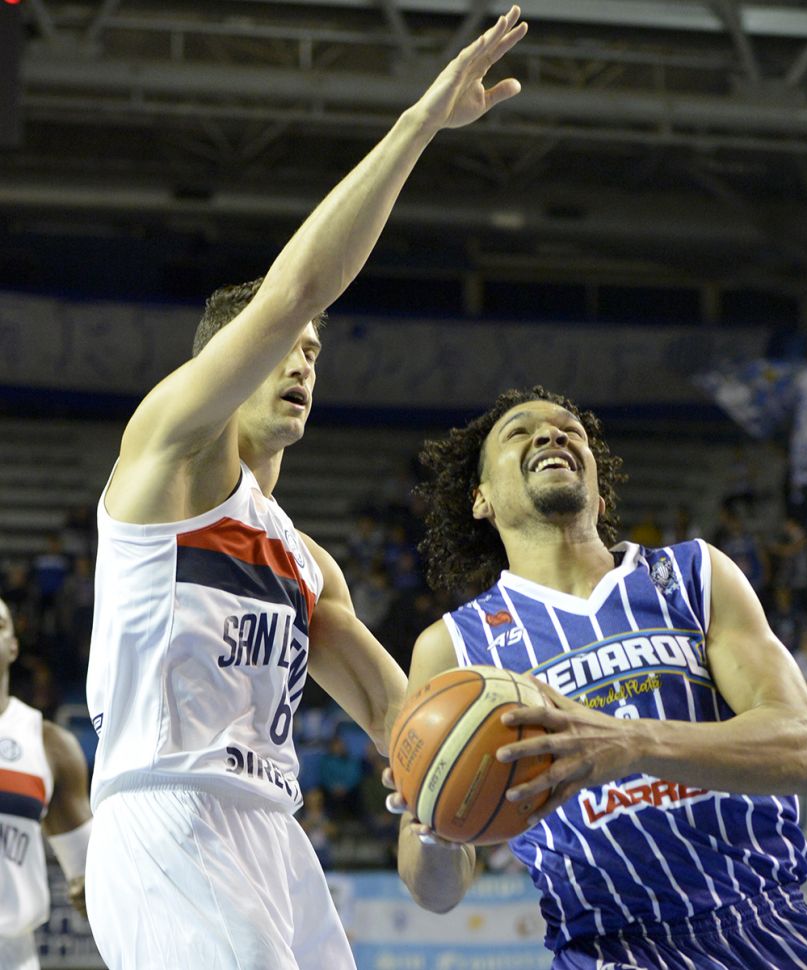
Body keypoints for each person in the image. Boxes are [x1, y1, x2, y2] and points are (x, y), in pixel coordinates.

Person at [83, 10, 528, 969]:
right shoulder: (168, 457)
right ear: (227, 365)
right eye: (286, 346)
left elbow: (402, 723)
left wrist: (470, 777)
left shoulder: (307, 563)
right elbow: (297, 290)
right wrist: (421, 122)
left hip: (274, 836)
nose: (303, 358)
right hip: (167, 812)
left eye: (315, 352)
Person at [389, 386, 807, 969]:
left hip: (768, 924)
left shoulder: (694, 575)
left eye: (571, 431)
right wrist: (436, 825)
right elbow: (436, 892)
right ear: (481, 499)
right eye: (520, 432)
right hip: (613, 950)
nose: (552, 434)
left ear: (597, 483)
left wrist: (631, 743)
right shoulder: (454, 647)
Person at [0, 597, 93, 970]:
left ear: (13, 646)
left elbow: (89, 879)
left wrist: (94, 885)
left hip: (12, 954)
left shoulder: (48, 743)